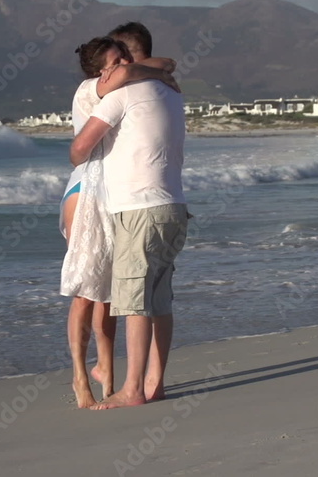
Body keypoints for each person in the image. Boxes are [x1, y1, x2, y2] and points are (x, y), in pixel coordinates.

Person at [70, 22, 189, 410]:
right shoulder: (169, 92)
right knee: (158, 300)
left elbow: (77, 151)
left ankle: (133, 389)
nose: (115, 68)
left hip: (136, 208)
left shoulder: (121, 96)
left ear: (129, 62)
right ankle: (154, 383)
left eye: (120, 59)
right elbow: (166, 64)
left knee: (132, 300)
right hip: (172, 205)